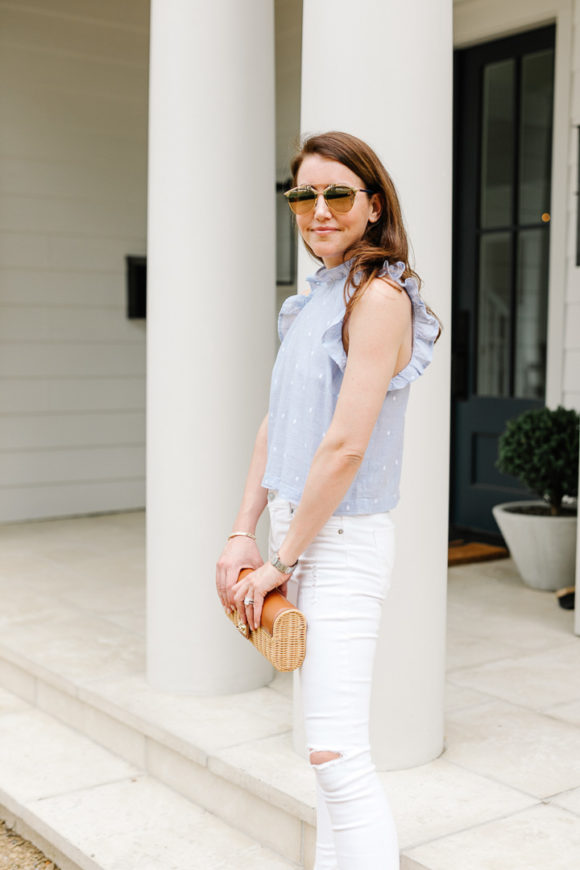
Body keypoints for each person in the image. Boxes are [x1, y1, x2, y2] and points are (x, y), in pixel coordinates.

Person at [215, 130, 440, 870]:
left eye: (338, 193)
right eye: (303, 195)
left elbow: (344, 448)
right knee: (324, 764)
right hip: (293, 537)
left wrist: (280, 558)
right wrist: (242, 533)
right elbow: (276, 424)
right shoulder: (311, 300)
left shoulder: (380, 299)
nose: (319, 209)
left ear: (373, 206)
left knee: (338, 755)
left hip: (337, 543)